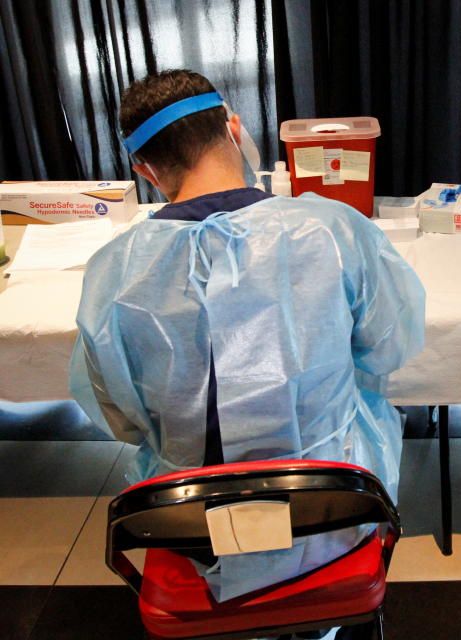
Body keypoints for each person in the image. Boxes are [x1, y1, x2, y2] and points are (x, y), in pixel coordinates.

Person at [69, 70, 425, 634]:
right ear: (234, 127)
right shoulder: (330, 230)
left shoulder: (114, 273)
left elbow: (123, 419)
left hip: (190, 528)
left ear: (144, 169)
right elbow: (388, 348)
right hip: (331, 513)